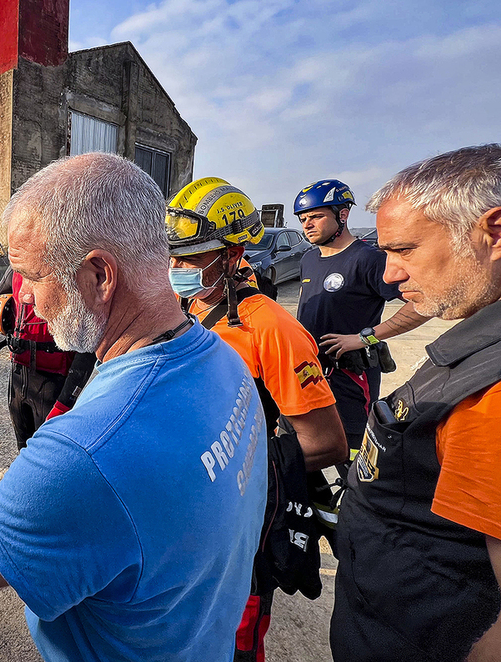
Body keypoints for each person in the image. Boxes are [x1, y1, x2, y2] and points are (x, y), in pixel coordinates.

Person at [0, 153, 268, 661]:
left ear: (99, 274)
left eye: (32, 276)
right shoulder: (224, 359)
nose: (26, 298)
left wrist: (28, 486)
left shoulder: (82, 455)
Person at [165, 177, 348, 662]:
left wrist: (228, 465)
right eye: (172, 256)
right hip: (186, 509)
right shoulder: (187, 307)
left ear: (231, 254)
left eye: (189, 257)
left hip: (239, 517)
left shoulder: (270, 327)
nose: (175, 269)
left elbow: (328, 443)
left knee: (233, 641)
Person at [331, 144, 501, 661]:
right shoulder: (475, 348)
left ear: (493, 233)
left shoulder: (489, 395)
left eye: (404, 250)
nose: (389, 274)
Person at [294, 179, 429, 459]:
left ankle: (352, 499)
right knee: (310, 445)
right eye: (303, 218)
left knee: (353, 450)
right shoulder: (308, 259)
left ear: (342, 215)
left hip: (351, 377)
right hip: (310, 373)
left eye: (316, 216)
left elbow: (423, 303)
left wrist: (364, 337)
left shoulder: (368, 259)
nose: (307, 224)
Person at [0, 267, 96, 448]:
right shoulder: (18, 267)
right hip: (18, 377)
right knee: (23, 450)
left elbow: (88, 345)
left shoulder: (72, 270)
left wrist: (65, 401)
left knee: (50, 454)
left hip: (53, 382)